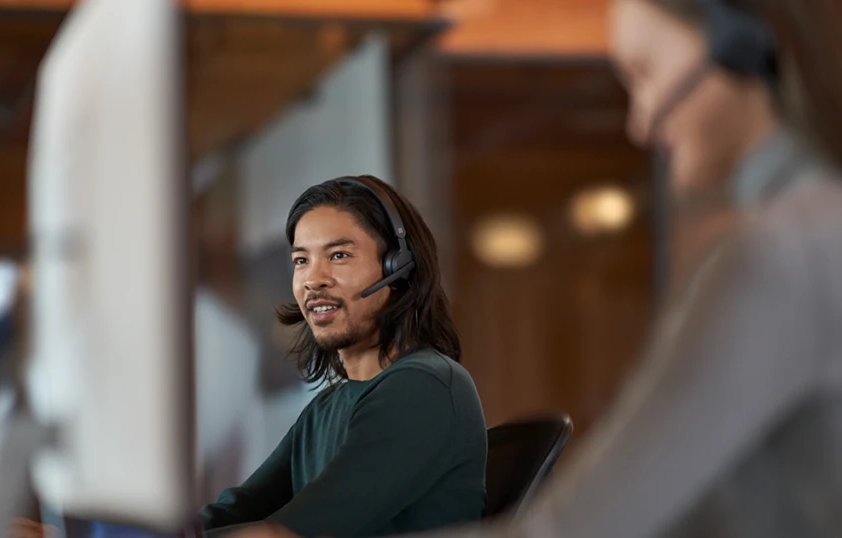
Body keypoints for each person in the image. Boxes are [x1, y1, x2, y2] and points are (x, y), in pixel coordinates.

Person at [358, 1, 841, 537]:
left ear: (740, 44)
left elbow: (570, 532)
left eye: (645, 73)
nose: (640, 122)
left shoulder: (779, 256)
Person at [199, 175, 488, 538]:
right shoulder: (325, 409)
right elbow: (238, 509)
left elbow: (289, 533)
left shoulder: (423, 388)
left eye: (339, 255)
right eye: (301, 260)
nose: (312, 279)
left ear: (396, 268)